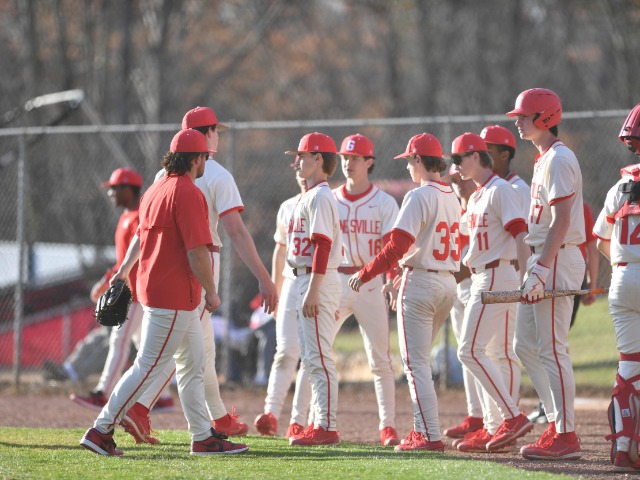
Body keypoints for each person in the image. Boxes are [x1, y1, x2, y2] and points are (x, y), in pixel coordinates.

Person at [80, 129, 248, 456]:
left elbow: (141, 239)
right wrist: (212, 292)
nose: (205, 162)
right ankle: (101, 430)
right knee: (147, 366)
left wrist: (123, 271)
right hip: (174, 295)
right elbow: (197, 252)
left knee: (193, 365)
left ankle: (202, 436)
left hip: (162, 291)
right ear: (196, 159)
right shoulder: (188, 193)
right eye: (204, 157)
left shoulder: (155, 190)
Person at [120, 106, 278, 442]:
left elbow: (143, 231)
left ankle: (217, 418)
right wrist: (264, 278)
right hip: (202, 263)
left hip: (164, 265)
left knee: (200, 348)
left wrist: (125, 269)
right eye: (215, 130)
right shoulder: (218, 175)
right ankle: (138, 409)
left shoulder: (163, 175)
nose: (218, 136)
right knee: (183, 347)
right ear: (206, 134)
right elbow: (236, 231)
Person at [349, 133, 460, 452]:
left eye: (410, 160)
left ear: (417, 160)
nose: (408, 167)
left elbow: (396, 247)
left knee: (415, 365)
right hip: (446, 282)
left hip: (422, 284)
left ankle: (429, 435)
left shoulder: (418, 195)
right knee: (420, 362)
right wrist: (404, 271)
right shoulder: (451, 195)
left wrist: (365, 272)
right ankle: (422, 429)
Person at [508, 88, 586, 460]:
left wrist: (540, 268)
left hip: (557, 257)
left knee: (554, 349)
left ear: (545, 118)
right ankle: (556, 422)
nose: (519, 122)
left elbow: (563, 221)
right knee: (524, 343)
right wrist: (534, 266)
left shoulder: (559, 157)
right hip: (545, 258)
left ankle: (566, 435)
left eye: (524, 116)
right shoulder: (544, 158)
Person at [448, 132, 531, 453]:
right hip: (484, 275)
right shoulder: (478, 195)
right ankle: (496, 426)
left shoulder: (500, 190)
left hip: (497, 275)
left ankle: (512, 416)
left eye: (458, 159)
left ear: (475, 156)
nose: (456, 166)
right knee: (487, 353)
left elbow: (520, 234)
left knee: (470, 351)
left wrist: (528, 278)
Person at [70, 168, 175, 413]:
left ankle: (103, 393)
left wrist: (112, 281)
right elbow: (123, 260)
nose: (111, 193)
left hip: (135, 292)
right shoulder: (127, 216)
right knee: (141, 343)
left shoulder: (138, 216)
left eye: (115, 188)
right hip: (133, 290)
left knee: (120, 339)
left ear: (128, 189)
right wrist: (108, 278)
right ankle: (163, 397)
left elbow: (139, 256)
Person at [284, 132, 343, 446]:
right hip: (305, 278)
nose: (297, 161)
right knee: (311, 357)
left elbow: (322, 244)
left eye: (302, 155)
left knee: (319, 357)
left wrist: (314, 290)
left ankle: (326, 426)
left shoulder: (320, 196)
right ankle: (319, 422)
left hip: (316, 279)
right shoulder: (310, 196)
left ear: (318, 158)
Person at [593, 102, 640, 472]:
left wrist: (624, 269)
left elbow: (600, 241)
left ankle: (623, 447)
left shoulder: (618, 187)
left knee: (629, 366)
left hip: (622, 279)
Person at [254, 170, 311, 439]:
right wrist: (275, 290)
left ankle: (299, 420)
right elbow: (280, 252)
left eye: (305, 162)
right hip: (290, 282)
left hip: (318, 282)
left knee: (311, 355)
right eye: (298, 166)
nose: (301, 172)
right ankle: (271, 414)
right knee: (285, 351)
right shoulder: (287, 206)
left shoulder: (328, 201)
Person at [441, 164, 485, 440]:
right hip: (457, 288)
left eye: (461, 178)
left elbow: (476, 255)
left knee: (481, 352)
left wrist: (448, 276)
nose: (458, 183)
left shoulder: (482, 203)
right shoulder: (453, 209)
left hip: (476, 285)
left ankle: (495, 417)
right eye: (454, 179)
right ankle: (475, 415)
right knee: (464, 351)